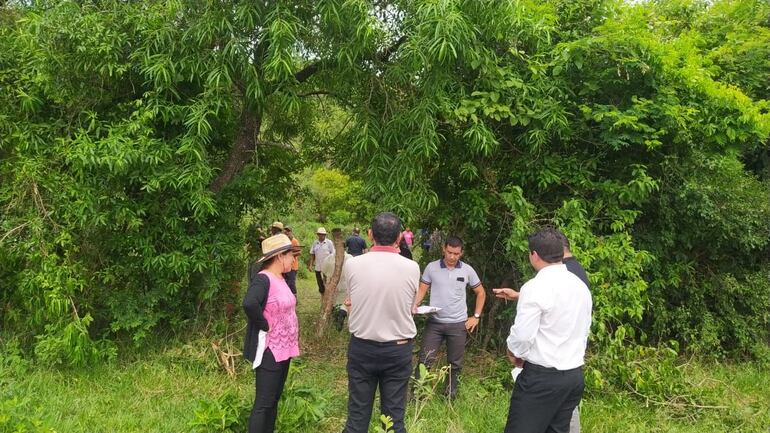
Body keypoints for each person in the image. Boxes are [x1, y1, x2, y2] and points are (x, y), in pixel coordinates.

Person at [493, 228, 592, 433]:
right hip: (573, 376)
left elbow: (522, 336)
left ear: (534, 255)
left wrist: (513, 353)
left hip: (542, 378)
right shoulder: (580, 286)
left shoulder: (535, 287)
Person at [341, 212, 418, 433]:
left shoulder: (353, 265)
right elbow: (408, 305)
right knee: (393, 420)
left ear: (370, 234)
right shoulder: (411, 267)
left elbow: (352, 300)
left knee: (357, 418)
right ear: (400, 237)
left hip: (362, 347)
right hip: (398, 349)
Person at [412, 236, 486, 400]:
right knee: (425, 359)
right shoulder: (431, 268)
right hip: (435, 323)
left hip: (458, 324)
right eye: (449, 252)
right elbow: (422, 290)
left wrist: (476, 316)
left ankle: (450, 395)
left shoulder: (467, 270)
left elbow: (481, 292)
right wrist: (414, 306)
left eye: (456, 254)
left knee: (455, 362)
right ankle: (418, 394)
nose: (452, 257)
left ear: (461, 253)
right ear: (443, 249)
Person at [243, 234, 300, 433]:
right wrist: (265, 325)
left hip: (284, 349)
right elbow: (250, 303)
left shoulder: (282, 278)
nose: (293, 260)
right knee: (264, 403)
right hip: (270, 350)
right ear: (279, 256)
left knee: (274, 400)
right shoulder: (263, 279)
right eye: (290, 255)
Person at [321, 252, 353, 331]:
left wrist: (326, 284)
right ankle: (340, 317)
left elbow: (323, 272)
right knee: (343, 304)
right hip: (345, 285)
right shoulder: (350, 258)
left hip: (333, 285)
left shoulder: (329, 258)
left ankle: (336, 321)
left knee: (334, 303)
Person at [309, 227, 335, 295]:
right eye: (320, 234)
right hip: (318, 265)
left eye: (323, 234)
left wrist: (332, 264)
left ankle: (327, 293)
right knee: (319, 281)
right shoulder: (315, 243)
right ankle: (322, 292)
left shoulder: (329, 243)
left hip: (327, 266)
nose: (321, 235)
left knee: (327, 280)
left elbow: (333, 254)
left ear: (325, 235)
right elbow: (312, 253)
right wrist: (311, 264)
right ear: (318, 234)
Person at [283, 226, 301, 296]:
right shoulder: (285, 242)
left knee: (291, 283)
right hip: (285, 266)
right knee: (286, 283)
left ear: (291, 232)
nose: (287, 233)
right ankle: (288, 298)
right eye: (285, 232)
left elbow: (299, 252)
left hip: (293, 266)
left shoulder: (294, 241)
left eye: (288, 231)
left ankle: (295, 298)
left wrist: (290, 254)